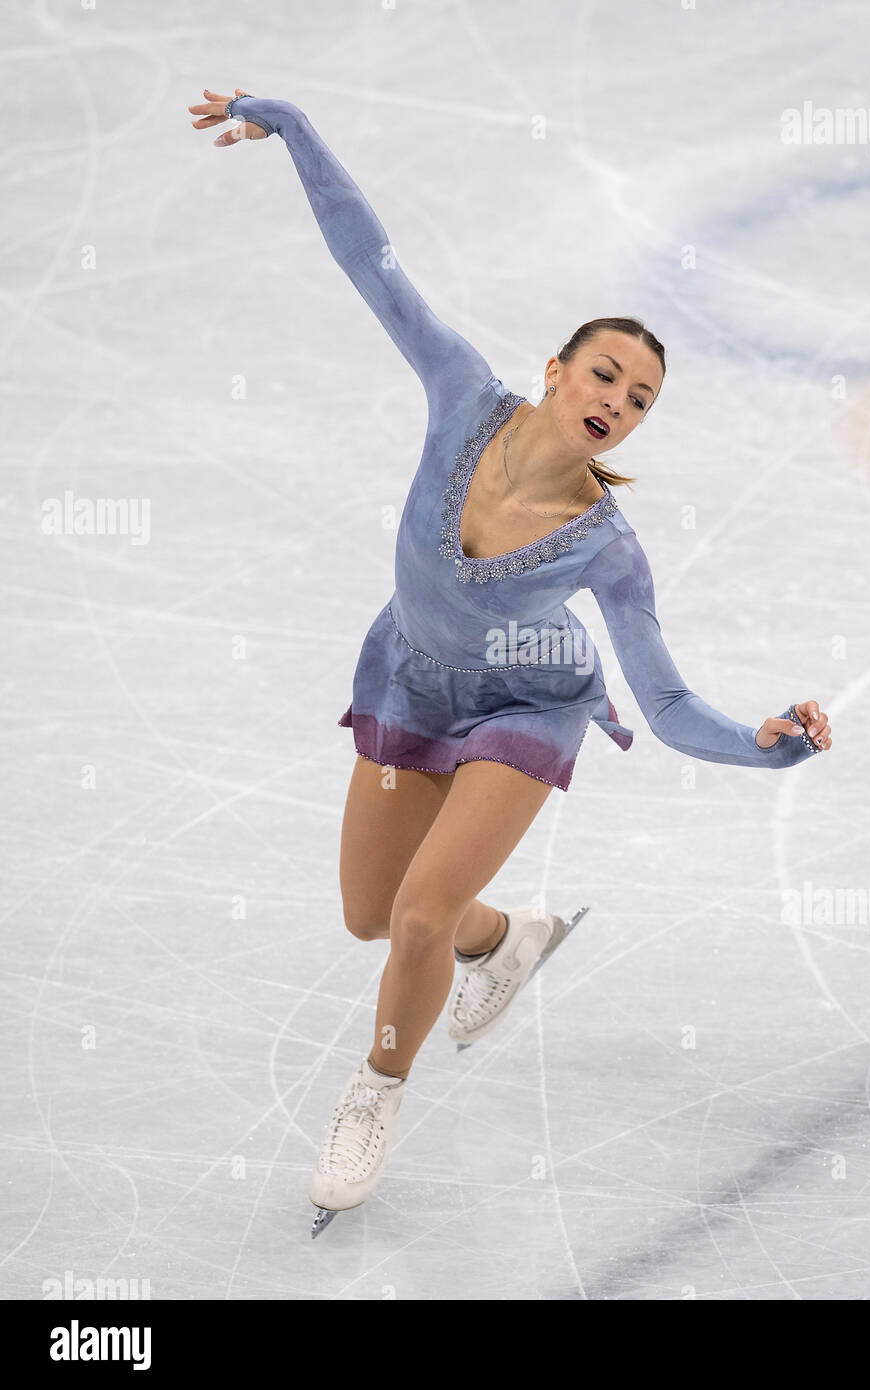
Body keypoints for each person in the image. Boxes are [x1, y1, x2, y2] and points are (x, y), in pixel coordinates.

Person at [189, 89, 834, 1231]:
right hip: (413, 680)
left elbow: (668, 703)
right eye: (603, 378)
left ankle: (374, 1090)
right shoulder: (457, 394)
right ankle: (511, 937)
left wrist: (762, 746)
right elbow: (370, 259)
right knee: (374, 914)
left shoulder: (609, 550)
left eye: (638, 401)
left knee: (421, 912)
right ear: (553, 369)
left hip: (526, 709)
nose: (616, 404)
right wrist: (291, 126)